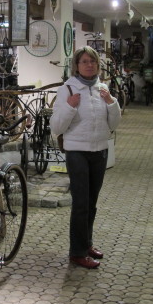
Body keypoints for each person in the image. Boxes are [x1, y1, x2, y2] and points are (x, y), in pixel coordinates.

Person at [51, 46, 121, 269]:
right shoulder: (67, 89)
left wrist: (111, 102)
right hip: (77, 152)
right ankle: (77, 252)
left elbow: (114, 124)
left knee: (92, 203)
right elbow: (56, 126)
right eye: (84, 61)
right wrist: (70, 108)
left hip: (99, 151)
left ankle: (87, 243)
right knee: (81, 204)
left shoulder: (102, 88)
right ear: (77, 66)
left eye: (92, 61)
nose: (89, 65)